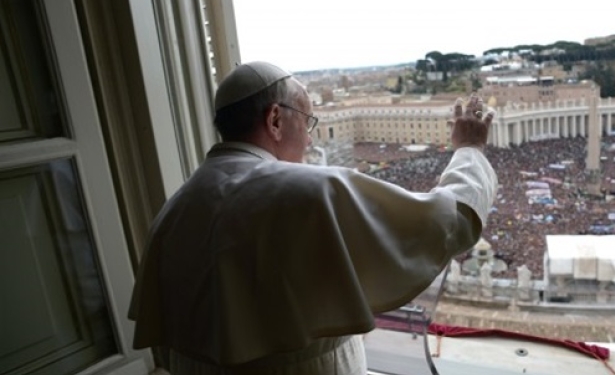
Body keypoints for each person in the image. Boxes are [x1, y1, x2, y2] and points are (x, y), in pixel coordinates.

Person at [128, 61, 498, 374]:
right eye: (307, 120)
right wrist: (470, 150)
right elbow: (448, 222)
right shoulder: (311, 191)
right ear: (275, 119)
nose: (309, 140)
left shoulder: (174, 209)